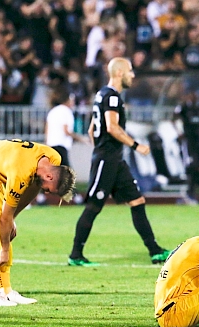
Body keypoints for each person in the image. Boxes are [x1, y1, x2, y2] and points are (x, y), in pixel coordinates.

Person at [69, 57, 169, 266]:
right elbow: (112, 127)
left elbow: (91, 130)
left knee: (137, 201)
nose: (133, 75)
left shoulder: (102, 95)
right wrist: (135, 146)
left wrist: (103, 147)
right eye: (130, 71)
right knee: (94, 206)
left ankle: (155, 250)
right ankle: (75, 255)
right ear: (120, 73)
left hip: (113, 158)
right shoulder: (112, 97)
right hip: (107, 159)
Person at [0, 139, 76, 305]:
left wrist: (12, 218)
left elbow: (33, 188)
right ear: (49, 176)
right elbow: (5, 218)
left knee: (4, 228)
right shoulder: (20, 172)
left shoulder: (53, 158)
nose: (45, 192)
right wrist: (4, 247)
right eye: (48, 189)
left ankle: (5, 291)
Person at [37, 86, 86, 205]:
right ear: (68, 100)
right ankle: (77, 198)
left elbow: (47, 131)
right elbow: (66, 131)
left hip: (50, 146)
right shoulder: (66, 111)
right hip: (60, 147)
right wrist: (81, 138)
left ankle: (40, 198)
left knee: (50, 175)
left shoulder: (53, 111)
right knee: (67, 174)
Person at [172, 90, 199, 204]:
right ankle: (189, 193)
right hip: (189, 142)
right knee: (190, 166)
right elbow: (173, 119)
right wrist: (179, 133)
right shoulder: (183, 108)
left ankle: (194, 193)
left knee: (198, 166)